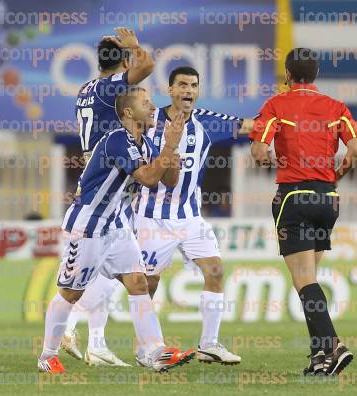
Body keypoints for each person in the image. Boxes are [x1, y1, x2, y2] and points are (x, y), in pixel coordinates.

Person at [63, 66, 254, 366]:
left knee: (215, 271)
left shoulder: (207, 121)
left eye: (193, 85)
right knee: (141, 283)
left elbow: (252, 126)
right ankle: (131, 345)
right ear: (171, 89)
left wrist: (276, 128)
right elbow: (116, 147)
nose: (188, 90)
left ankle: (209, 345)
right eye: (182, 85)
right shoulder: (150, 121)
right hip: (150, 218)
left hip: (191, 217)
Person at [37, 86, 195, 373]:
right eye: (145, 103)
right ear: (127, 112)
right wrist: (169, 147)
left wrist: (175, 145)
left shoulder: (145, 143)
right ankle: (47, 356)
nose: (152, 107)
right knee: (70, 293)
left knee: (138, 282)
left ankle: (154, 351)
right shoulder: (117, 141)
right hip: (88, 226)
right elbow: (147, 177)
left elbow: (169, 180)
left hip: (116, 227)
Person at [249, 48, 357, 376]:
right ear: (315, 75)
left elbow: (259, 150)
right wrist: (336, 176)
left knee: (303, 282)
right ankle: (320, 358)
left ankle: (333, 345)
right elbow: (355, 149)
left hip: (294, 197)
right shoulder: (336, 108)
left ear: (287, 74)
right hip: (328, 200)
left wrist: (269, 161)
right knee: (310, 280)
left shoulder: (276, 105)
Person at [60, 27, 154, 366]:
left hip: (98, 174)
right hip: (109, 179)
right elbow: (146, 68)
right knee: (114, 268)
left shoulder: (85, 90)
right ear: (123, 62)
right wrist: (135, 47)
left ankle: (96, 343)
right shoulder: (108, 89)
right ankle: (69, 329)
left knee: (105, 270)